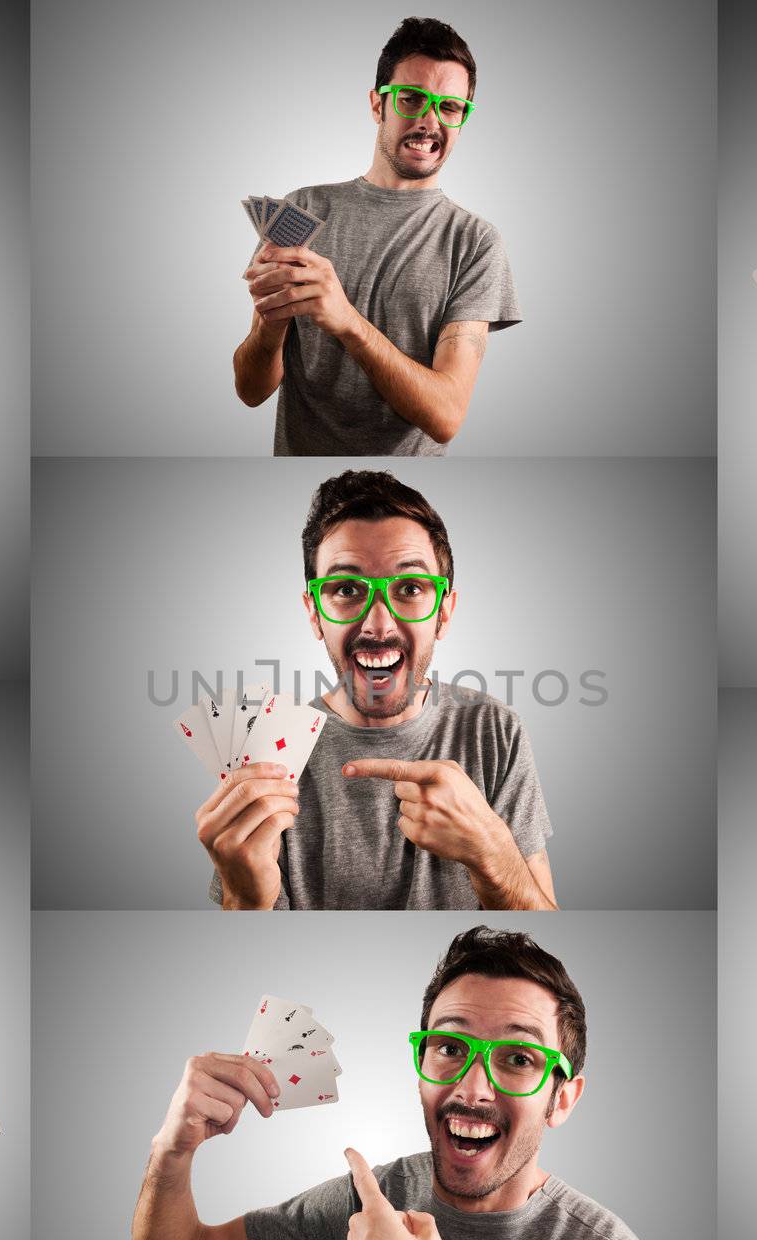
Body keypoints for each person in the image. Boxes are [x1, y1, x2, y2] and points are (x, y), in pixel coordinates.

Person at [133, 926, 651, 1240]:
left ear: (562, 1100)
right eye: (450, 1047)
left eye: (519, 1059)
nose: (471, 1090)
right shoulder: (368, 1205)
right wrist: (172, 1150)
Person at [196, 469, 554, 909]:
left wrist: (492, 851)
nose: (378, 624)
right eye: (346, 589)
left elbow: (541, 929)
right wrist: (245, 897)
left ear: (444, 612)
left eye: (409, 588)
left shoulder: (495, 731)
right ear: (314, 613)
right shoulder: (269, 755)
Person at [234, 17, 520, 455]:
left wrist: (347, 322)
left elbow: (446, 417)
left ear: (462, 118)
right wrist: (271, 325)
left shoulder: (474, 242)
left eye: (449, 107)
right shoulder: (302, 210)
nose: (429, 121)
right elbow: (251, 390)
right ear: (377, 104)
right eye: (410, 99)